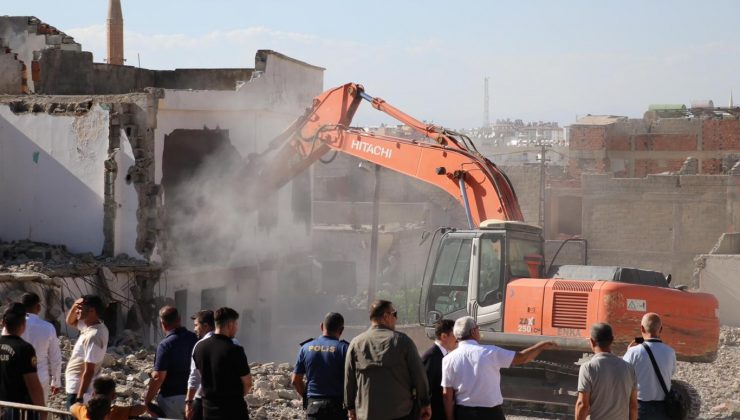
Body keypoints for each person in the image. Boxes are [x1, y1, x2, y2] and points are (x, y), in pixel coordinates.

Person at [441, 316, 556, 420]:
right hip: (491, 414)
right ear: (473, 331)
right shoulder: (490, 352)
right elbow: (522, 358)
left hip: (464, 413)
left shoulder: (448, 359)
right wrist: (541, 345)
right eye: (477, 327)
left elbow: (447, 396)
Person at [344, 300, 431, 420]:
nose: (396, 318)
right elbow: (419, 376)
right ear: (386, 316)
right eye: (394, 314)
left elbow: (349, 380)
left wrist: (350, 408)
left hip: (366, 414)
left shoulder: (356, 343)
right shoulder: (403, 342)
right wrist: (425, 403)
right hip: (400, 413)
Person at [193, 307, 252, 420]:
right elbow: (247, 383)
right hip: (233, 411)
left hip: (208, 411)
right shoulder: (235, 350)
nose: (237, 328)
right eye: (236, 324)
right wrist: (236, 396)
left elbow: (203, 376)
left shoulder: (199, 347)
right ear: (230, 324)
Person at [292, 312, 349, 420]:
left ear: (322, 326)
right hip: (337, 407)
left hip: (314, 406)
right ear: (341, 330)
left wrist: (307, 399)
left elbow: (295, 380)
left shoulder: (305, 347)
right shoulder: (345, 349)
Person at [144, 306, 198, 419]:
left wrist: (147, 401)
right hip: (195, 397)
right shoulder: (196, 339)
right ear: (179, 319)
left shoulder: (165, 345)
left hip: (172, 399)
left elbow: (159, 377)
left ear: (162, 324)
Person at [576, 323, 638, 420]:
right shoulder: (629, 368)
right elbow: (633, 406)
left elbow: (582, 405)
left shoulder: (588, 368)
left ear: (592, 342)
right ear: (612, 340)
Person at [623, 313, 676, 420]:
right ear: (661, 329)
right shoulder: (670, 352)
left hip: (640, 408)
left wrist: (629, 351)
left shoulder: (633, 352)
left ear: (642, 328)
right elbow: (671, 373)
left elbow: (623, 376)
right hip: (664, 408)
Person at [0, 302, 46, 419]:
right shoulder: (24, 349)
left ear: (2, 322)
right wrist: (43, 412)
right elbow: (33, 386)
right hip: (18, 412)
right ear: (23, 324)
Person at [64, 295, 109, 409]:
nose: (77, 311)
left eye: (80, 308)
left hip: (78, 388)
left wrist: (79, 397)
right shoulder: (90, 326)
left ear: (92, 310)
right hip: (76, 387)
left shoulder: (94, 335)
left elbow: (89, 370)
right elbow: (70, 321)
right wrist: (75, 305)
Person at [20, 292, 63, 403]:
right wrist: (56, 381)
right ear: (38, 307)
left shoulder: (14, 326)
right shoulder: (48, 327)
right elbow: (55, 357)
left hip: (18, 376)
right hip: (40, 377)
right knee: (39, 410)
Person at [421, 319, 456, 420]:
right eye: (454, 336)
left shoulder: (444, 356)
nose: (457, 339)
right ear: (444, 336)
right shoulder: (431, 357)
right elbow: (425, 389)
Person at [70, 376, 149, 420]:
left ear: (93, 394)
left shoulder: (84, 412)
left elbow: (72, 407)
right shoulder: (114, 413)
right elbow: (141, 409)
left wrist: (80, 403)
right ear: (113, 395)